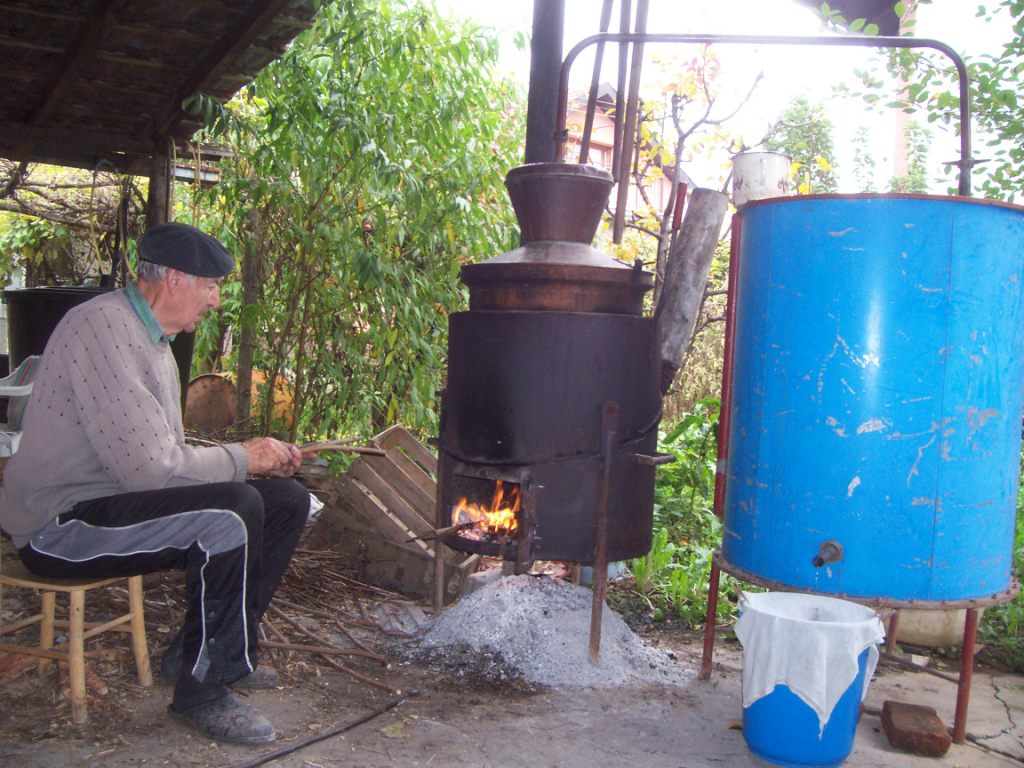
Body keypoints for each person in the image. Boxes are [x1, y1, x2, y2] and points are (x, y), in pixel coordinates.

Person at [0, 222, 310, 745]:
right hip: (60, 527)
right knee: (231, 511)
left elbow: (165, 458)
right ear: (173, 278)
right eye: (210, 286)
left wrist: (253, 461)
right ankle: (203, 690)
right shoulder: (102, 329)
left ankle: (197, 653)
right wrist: (242, 458)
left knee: (285, 500)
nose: (215, 301)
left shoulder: (151, 342)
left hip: (111, 505)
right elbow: (152, 471)